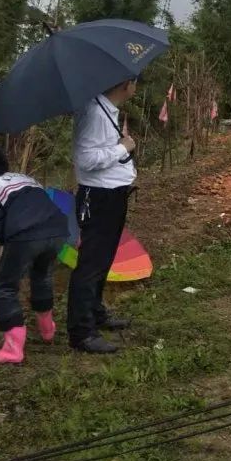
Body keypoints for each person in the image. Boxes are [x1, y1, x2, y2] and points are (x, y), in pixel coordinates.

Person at [0, 144, 69, 364]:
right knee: (42, 276)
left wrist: (5, 241)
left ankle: (13, 349)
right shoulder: (24, 178)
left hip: (26, 235)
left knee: (4, 287)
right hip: (57, 230)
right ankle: (47, 330)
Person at [67, 78, 138, 354]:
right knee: (91, 263)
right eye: (135, 82)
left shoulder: (106, 108)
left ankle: (95, 313)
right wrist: (124, 147)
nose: (136, 87)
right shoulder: (96, 113)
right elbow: (86, 160)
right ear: (126, 84)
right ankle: (82, 332)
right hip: (98, 197)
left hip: (112, 195)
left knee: (104, 258)